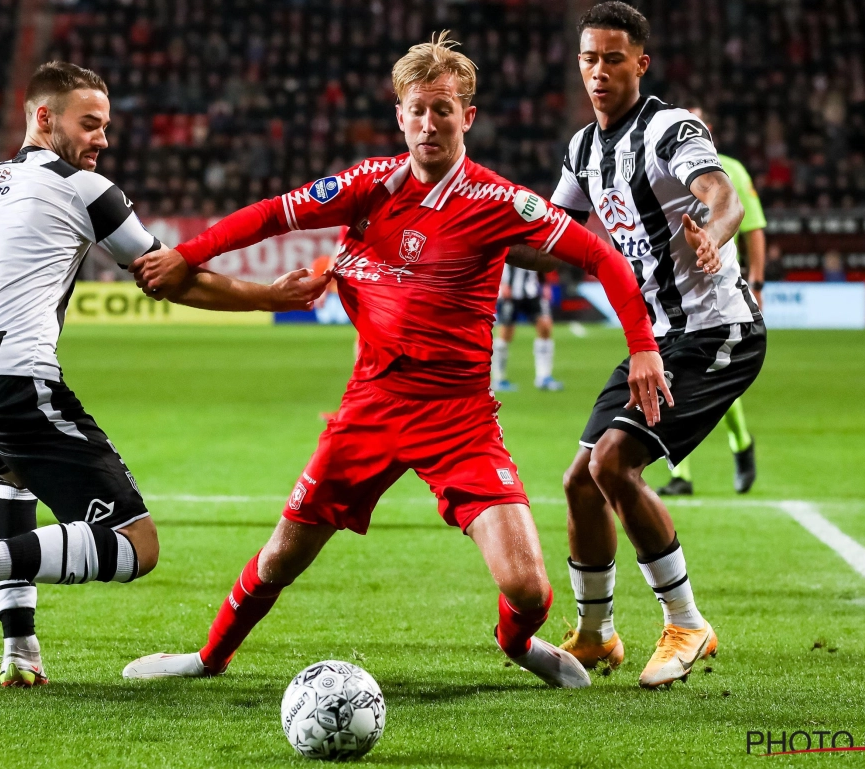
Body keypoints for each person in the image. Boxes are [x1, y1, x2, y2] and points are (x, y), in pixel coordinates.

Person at [123, 34, 667, 689]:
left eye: (443, 109)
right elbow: (274, 214)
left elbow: (601, 257)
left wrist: (642, 345)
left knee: (529, 590)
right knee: (280, 559)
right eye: (417, 109)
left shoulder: (498, 204)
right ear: (400, 115)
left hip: (459, 419)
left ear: (467, 115)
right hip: (370, 409)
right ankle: (207, 659)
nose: (429, 122)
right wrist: (189, 252)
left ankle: (517, 643)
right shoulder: (368, 185)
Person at [0, 62, 324, 687]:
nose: (102, 139)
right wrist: (272, 296)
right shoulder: (82, 187)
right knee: (135, 545)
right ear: (44, 119)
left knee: (14, 479)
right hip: (12, 376)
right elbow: (167, 274)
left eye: (105, 126)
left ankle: (20, 653)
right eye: (90, 124)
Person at [530, 2, 767, 688]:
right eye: (587, 59)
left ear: (641, 62)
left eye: (611, 58)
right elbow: (552, 239)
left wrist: (712, 234)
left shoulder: (670, 128)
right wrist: (473, 236)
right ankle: (598, 635)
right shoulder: (582, 148)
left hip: (717, 331)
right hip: (657, 339)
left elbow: (722, 194)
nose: (597, 73)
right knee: (580, 481)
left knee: (613, 464)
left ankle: (687, 622)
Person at [656, 107, 766, 496]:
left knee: (709, 381)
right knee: (667, 381)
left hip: (719, 290)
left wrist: (758, 281)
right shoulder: (660, 163)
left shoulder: (730, 169)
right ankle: (680, 475)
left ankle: (741, 444)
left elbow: (752, 227)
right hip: (671, 297)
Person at [491, 261, 564, 392]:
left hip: (533, 291)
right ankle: (499, 379)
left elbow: (539, 260)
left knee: (545, 326)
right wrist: (501, 283)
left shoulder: (533, 242)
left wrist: (544, 284)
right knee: (505, 334)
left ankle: (544, 377)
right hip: (511, 291)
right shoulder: (508, 243)